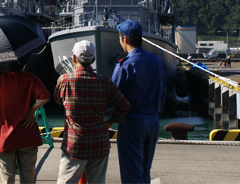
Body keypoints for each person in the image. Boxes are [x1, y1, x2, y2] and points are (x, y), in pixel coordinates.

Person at [54, 40, 130, 184]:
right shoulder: (105, 82)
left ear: (74, 58)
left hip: (74, 144)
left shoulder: (64, 80)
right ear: (93, 60)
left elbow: (57, 99)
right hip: (99, 142)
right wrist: (110, 121)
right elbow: (124, 105)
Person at [112, 20, 167, 184]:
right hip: (153, 120)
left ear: (125, 39)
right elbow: (164, 91)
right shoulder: (158, 61)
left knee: (131, 172)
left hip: (133, 121)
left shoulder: (124, 65)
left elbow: (114, 96)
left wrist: (110, 118)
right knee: (144, 171)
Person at [0, 56, 51, 184]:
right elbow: (46, 96)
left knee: (6, 179)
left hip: (3, 138)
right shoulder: (31, 79)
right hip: (27, 135)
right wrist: (32, 111)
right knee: (28, 177)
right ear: (25, 63)